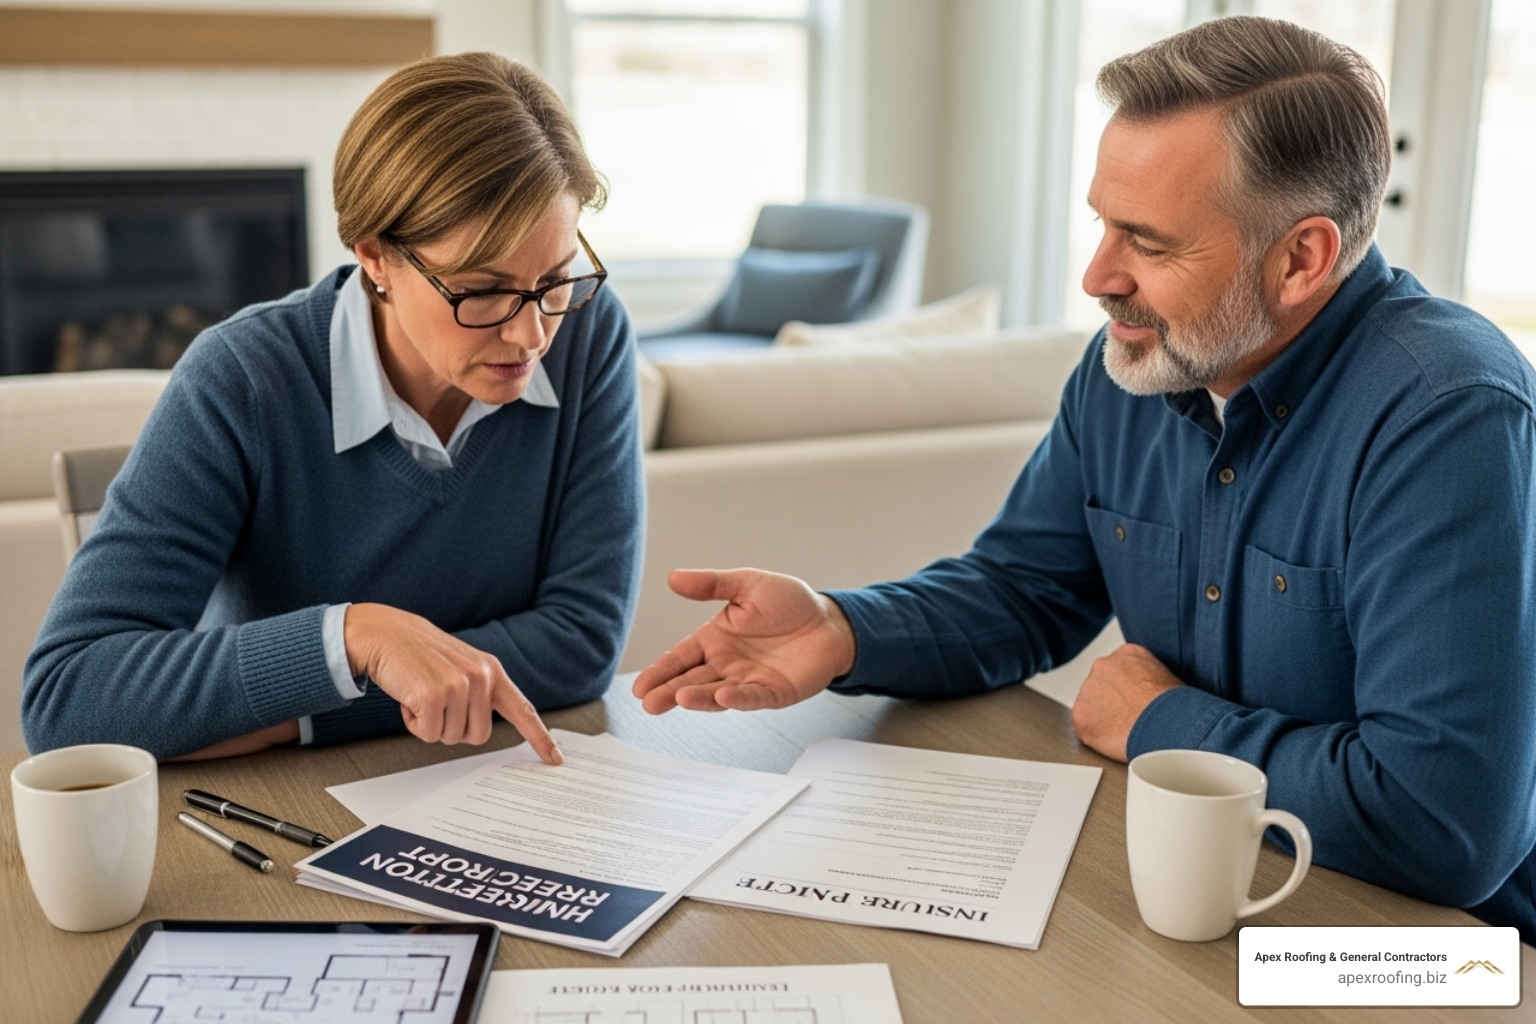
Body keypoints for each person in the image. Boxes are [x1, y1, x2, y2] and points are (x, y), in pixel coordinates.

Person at [632, 16, 1536, 943]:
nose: (1098, 275)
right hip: (1204, 900)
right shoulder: (1137, 366)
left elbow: (1445, 823)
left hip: (1437, 957)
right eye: (1102, 223)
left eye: (1149, 242)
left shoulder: (1449, 416)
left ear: (1301, 259)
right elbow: (1025, 589)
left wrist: (1161, 723)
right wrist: (844, 628)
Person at [23, 53, 643, 764]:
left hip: (472, 772)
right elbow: (67, 700)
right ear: (376, 256)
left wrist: (304, 714)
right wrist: (355, 638)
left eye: (555, 278)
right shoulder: (242, 379)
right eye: (482, 292)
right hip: (273, 799)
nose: (531, 334)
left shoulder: (589, 334)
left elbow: (581, 641)